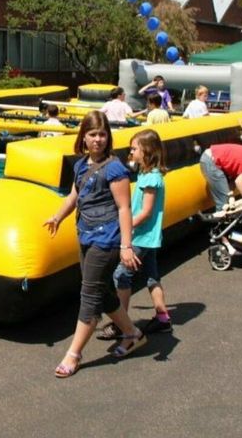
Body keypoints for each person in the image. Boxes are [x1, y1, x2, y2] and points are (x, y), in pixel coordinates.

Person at [44, 112, 147, 378]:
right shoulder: (80, 165)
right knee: (103, 293)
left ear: (108, 137)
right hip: (86, 236)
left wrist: (126, 246)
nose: (98, 140)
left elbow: (124, 208)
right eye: (92, 134)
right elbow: (74, 196)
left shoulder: (115, 169)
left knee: (89, 295)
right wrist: (57, 216)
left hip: (108, 240)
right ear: (83, 137)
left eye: (102, 134)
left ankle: (73, 354)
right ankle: (132, 333)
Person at [102, 129, 173, 337]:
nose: (130, 152)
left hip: (142, 236)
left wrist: (126, 226)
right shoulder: (146, 173)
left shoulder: (151, 178)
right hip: (149, 237)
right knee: (152, 277)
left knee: (121, 275)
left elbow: (146, 211)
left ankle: (121, 323)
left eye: (134, 148)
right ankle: (163, 318)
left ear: (147, 151)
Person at [198, 142, 242, 214]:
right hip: (212, 160)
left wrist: (231, 195)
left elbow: (233, 182)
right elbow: (239, 181)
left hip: (211, 158)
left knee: (227, 199)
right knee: (224, 205)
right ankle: (223, 223)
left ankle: (226, 220)